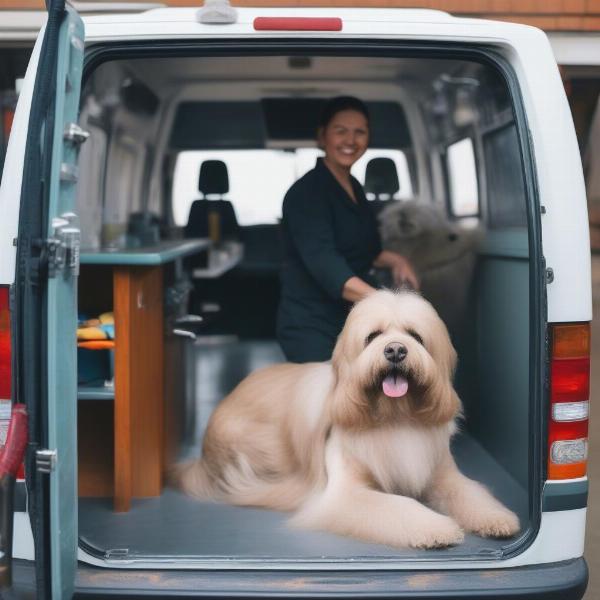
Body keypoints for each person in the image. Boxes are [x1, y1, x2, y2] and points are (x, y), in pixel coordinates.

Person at [277, 96, 419, 363]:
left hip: (353, 318)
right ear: (322, 137)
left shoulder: (354, 188)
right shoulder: (306, 194)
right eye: (340, 131)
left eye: (360, 132)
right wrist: (390, 305)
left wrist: (397, 260)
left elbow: (366, 250)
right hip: (313, 326)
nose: (350, 140)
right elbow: (327, 265)